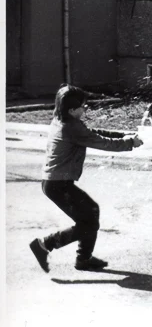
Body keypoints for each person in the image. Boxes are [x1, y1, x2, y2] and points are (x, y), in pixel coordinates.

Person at [29, 85, 144, 273]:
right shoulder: (71, 128)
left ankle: (84, 259)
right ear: (72, 110)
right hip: (58, 185)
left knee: (90, 214)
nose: (86, 109)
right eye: (83, 106)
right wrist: (130, 143)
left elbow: (92, 132)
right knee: (88, 221)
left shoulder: (62, 119)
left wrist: (123, 135)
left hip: (55, 183)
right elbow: (101, 142)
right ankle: (45, 245)